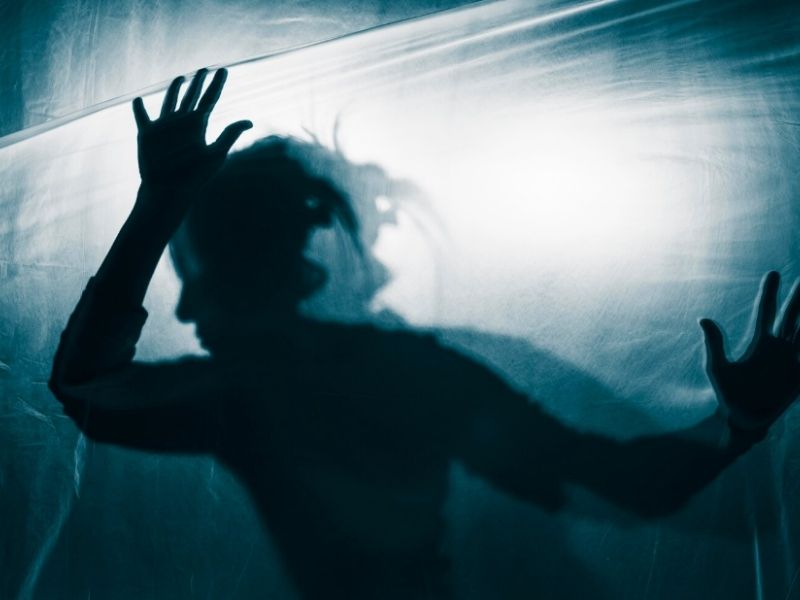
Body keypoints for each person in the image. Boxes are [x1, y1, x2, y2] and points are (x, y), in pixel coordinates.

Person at [49, 68, 800, 600]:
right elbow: (619, 481)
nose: (184, 312)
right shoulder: (393, 375)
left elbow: (85, 386)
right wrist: (737, 425)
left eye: (201, 275)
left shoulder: (265, 392)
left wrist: (160, 208)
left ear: (278, 270)